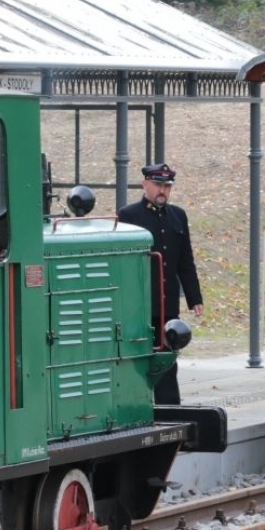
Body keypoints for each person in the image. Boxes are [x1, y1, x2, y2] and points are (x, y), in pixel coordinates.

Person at [116, 162, 204, 405]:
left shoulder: (178, 215)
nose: (162, 190)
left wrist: (194, 297)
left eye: (167, 186)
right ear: (145, 185)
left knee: (167, 359)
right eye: (157, 185)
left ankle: (169, 407)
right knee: (138, 358)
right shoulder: (129, 215)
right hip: (139, 304)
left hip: (167, 304)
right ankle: (135, 405)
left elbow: (185, 260)